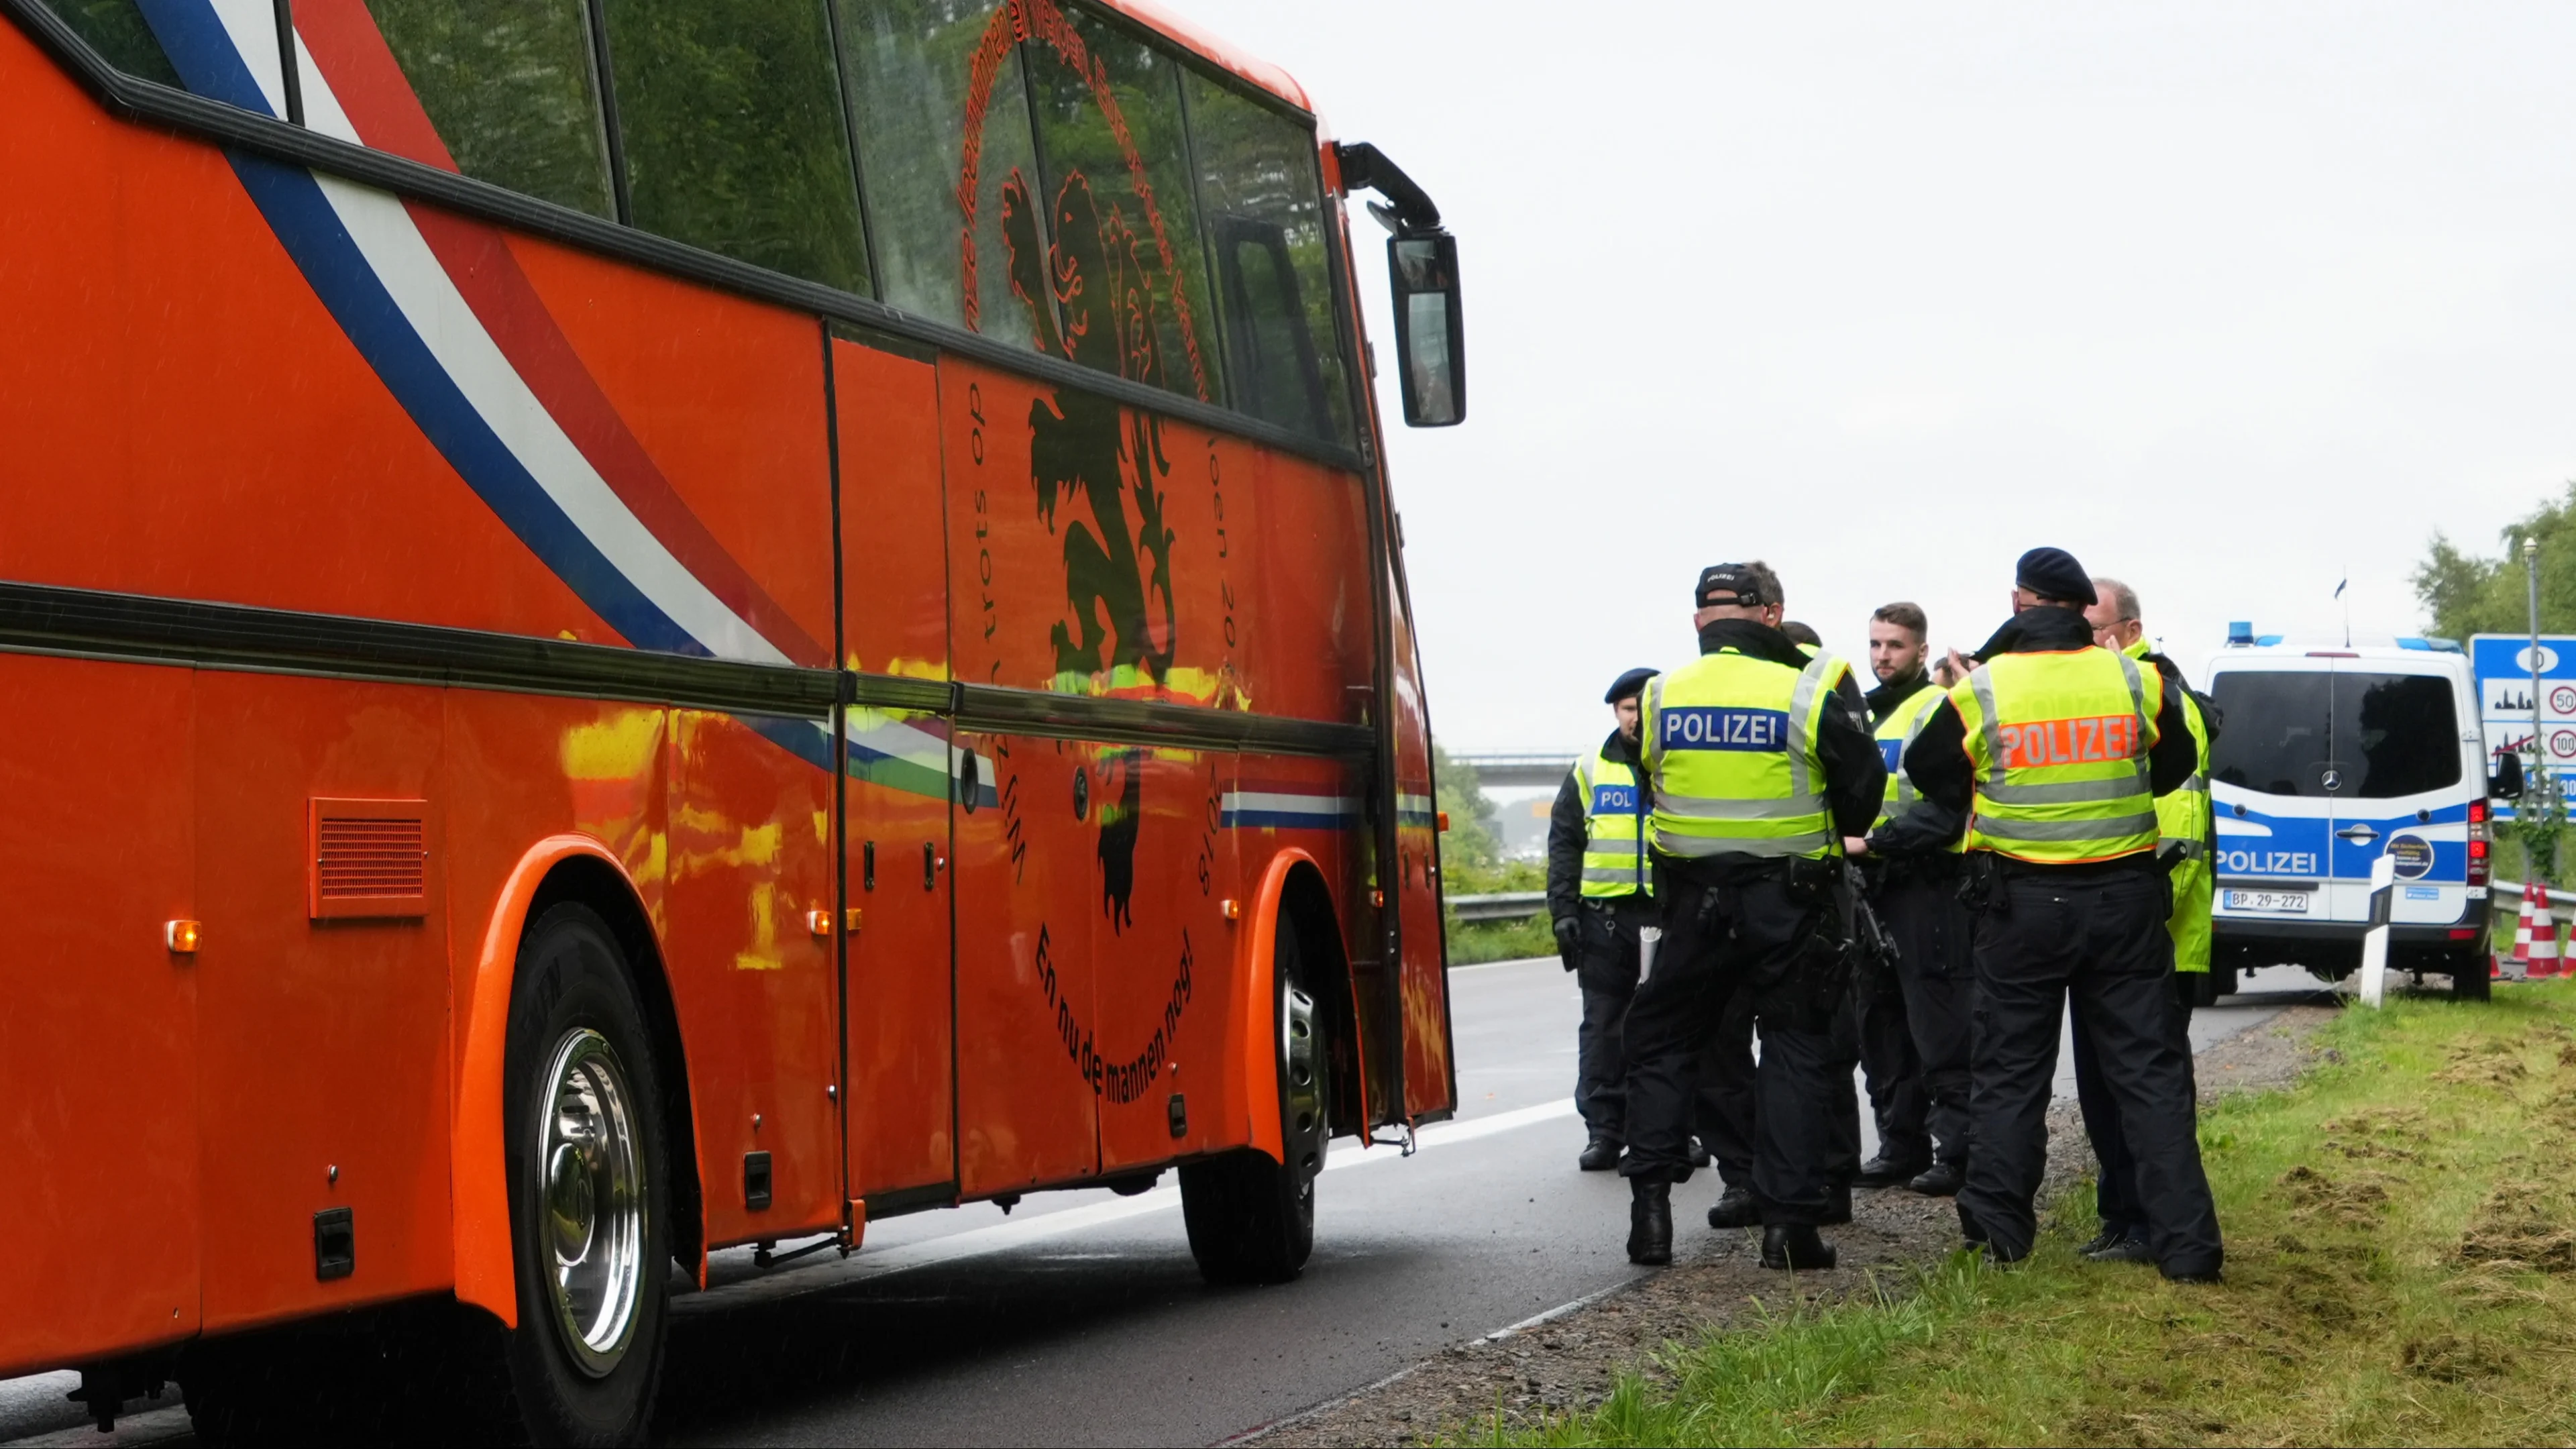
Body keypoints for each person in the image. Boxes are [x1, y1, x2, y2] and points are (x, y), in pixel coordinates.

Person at [1900, 548, 2222, 1281]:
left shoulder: (1982, 689)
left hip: (2021, 906)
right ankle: (2189, 1251)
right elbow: (2170, 766)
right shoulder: (2133, 678)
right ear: (2081, 612)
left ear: (2020, 606)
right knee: (2150, 1077)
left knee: (2011, 1075)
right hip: (2124, 900)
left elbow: (1928, 771)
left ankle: (1998, 1240)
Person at [1620, 561, 1884, 1271]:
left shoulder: (1660, 691)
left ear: (1701, 622)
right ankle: (1789, 1230)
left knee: (1665, 1045)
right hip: (1790, 903)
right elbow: (1862, 794)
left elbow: (1648, 776)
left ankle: (1650, 1217)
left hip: (1691, 905)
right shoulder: (1810, 686)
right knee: (1796, 1051)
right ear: (1771, 614)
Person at [2069, 577, 2220, 1264]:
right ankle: (2126, 1219)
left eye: (2094, 626)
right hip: (2126, 936)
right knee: (2106, 1094)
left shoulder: (2156, 696)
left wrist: (2142, 923)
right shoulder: (2116, 693)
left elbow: (2178, 839)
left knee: (2141, 1097)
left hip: (2156, 941)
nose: (2082, 639)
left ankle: (2146, 1227)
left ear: (2130, 631)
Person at [1848, 601, 1971, 1196]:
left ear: (1922, 651)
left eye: (1894, 646)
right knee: (1881, 1025)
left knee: (1938, 1024)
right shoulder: (1863, 717)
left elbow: (1947, 811)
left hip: (1925, 884)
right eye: (1874, 645)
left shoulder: (1935, 710)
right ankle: (1899, 1145)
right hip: (1870, 887)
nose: (1881, 657)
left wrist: (1874, 842)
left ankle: (1958, 1151)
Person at [1548, 667, 1661, 1171]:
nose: (1636, 717)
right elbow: (1565, 846)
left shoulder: (1679, 765)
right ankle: (1604, 1131)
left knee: (1670, 1028)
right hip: (1605, 921)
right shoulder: (1590, 768)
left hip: (1667, 917)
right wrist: (1563, 913)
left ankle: (1672, 1130)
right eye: (1628, 708)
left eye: (1645, 706)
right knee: (1603, 1029)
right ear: (1616, 713)